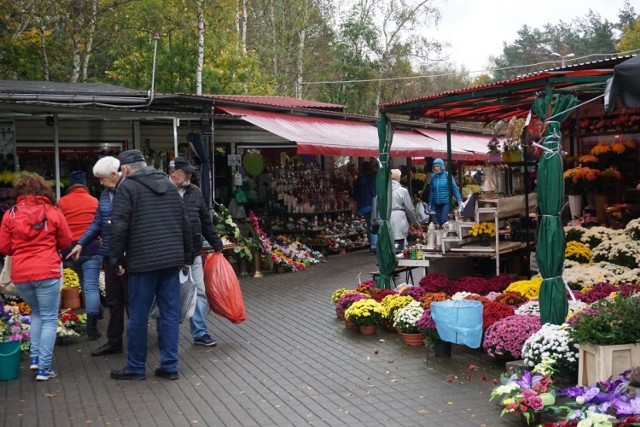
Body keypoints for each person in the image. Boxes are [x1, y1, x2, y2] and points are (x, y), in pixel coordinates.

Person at [108, 149, 193, 381]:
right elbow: (184, 222)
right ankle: (170, 366)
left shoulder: (127, 187)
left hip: (143, 262)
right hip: (171, 261)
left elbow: (119, 227)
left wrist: (114, 260)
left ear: (125, 169)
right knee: (169, 315)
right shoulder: (169, 186)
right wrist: (187, 255)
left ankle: (136, 367)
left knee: (137, 316)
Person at [0, 173, 73, 381]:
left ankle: (34, 359)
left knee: (37, 314)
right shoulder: (53, 212)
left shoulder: (10, 215)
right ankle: (44, 368)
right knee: (49, 318)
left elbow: (4, 247)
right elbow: (66, 240)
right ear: (44, 191)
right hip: (48, 271)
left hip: (22, 274)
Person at [67, 157, 128, 357]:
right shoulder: (103, 194)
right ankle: (114, 342)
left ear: (114, 174)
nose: (100, 183)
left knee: (132, 301)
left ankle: (137, 344)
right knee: (113, 300)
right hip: (110, 255)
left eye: (102, 179)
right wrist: (80, 243)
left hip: (129, 256)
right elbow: (97, 223)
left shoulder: (129, 190)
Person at [167, 156, 223, 346]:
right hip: (171, 256)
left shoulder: (195, 192)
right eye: (186, 172)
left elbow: (206, 221)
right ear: (173, 173)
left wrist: (217, 244)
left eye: (190, 172)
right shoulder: (161, 191)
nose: (189, 175)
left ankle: (200, 333)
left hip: (194, 253)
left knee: (200, 292)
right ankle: (166, 334)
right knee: (168, 296)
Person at [57, 170, 102, 341]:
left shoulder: (62, 202)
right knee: (90, 286)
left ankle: (96, 310)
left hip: (70, 251)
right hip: (91, 248)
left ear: (70, 185)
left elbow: (59, 227)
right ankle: (92, 328)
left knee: (85, 281)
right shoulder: (94, 201)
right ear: (84, 185)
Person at [389, 168, 420, 252]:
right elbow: (409, 209)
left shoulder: (383, 190)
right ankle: (397, 257)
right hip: (399, 218)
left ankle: (390, 260)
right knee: (399, 242)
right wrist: (416, 223)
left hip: (386, 218)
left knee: (388, 242)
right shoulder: (402, 191)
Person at [428, 158, 462, 227]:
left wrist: (459, 200)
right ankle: (443, 235)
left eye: (437, 166)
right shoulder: (433, 177)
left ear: (442, 166)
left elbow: (454, 188)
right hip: (436, 203)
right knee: (439, 221)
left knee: (444, 220)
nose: (436, 168)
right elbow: (431, 191)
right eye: (434, 166)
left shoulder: (447, 175)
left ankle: (447, 234)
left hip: (446, 202)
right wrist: (430, 203)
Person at [352, 161, 377, 253]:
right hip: (374, 203)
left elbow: (355, 196)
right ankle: (375, 245)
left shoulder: (359, 180)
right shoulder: (374, 177)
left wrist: (354, 210)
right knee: (376, 224)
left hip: (364, 205)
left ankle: (372, 245)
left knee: (369, 225)